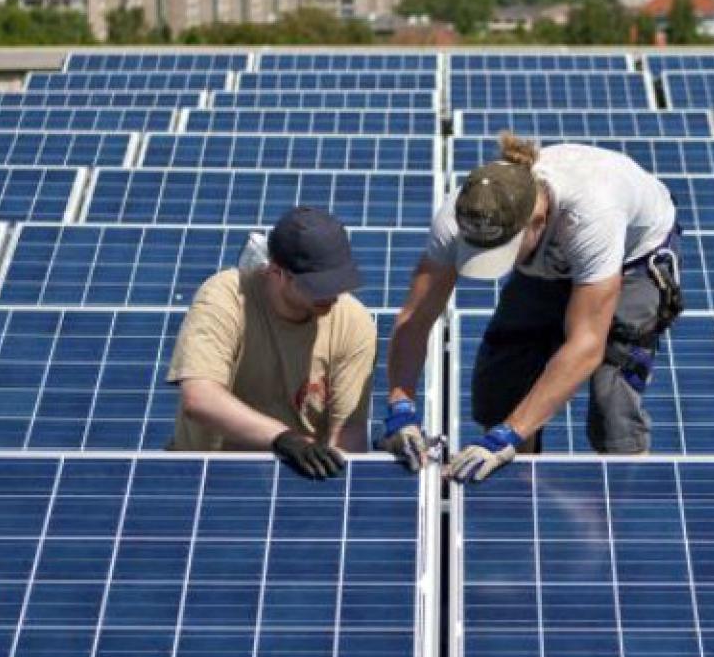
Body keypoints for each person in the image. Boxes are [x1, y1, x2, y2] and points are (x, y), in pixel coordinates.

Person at [380, 132, 683, 482]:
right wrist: (400, 406)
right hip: (550, 258)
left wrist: (508, 436)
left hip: (632, 260)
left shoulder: (592, 217)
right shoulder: (462, 214)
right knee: (501, 388)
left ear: (537, 223)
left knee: (611, 404)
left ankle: (625, 504)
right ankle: (520, 502)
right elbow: (416, 317)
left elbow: (586, 345)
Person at [169, 206, 377, 480]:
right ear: (276, 272)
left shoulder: (354, 322)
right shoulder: (227, 296)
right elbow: (199, 397)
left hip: (298, 477)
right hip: (208, 476)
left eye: (338, 282)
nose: (332, 294)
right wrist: (281, 438)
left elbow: (347, 431)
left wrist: (341, 493)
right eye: (318, 284)